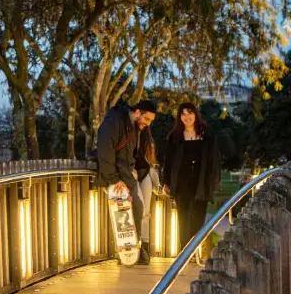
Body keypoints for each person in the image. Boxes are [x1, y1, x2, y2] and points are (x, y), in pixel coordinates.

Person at [95, 99, 157, 264]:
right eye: (147, 119)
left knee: (135, 211)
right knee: (127, 213)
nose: (148, 123)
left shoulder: (131, 126)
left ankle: (132, 254)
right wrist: (114, 180)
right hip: (117, 179)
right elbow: (105, 149)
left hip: (126, 177)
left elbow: (127, 156)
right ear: (137, 113)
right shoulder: (115, 122)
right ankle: (127, 254)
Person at [161, 102, 222, 259]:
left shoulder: (207, 135)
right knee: (183, 217)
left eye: (190, 113)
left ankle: (194, 252)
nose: (187, 117)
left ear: (196, 114)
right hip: (181, 182)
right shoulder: (175, 137)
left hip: (200, 182)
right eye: (183, 114)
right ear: (179, 117)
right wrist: (166, 182)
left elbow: (215, 160)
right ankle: (184, 254)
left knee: (198, 218)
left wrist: (214, 181)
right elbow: (168, 162)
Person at [134, 127, 160, 263]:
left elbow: (150, 159)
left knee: (144, 213)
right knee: (141, 213)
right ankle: (139, 248)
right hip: (136, 174)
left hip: (143, 174)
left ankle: (143, 248)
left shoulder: (146, 134)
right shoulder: (130, 130)